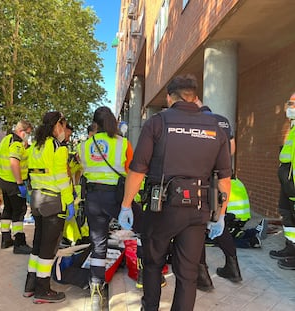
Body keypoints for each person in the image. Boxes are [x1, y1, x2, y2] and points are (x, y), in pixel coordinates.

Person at [118, 74, 232, 311]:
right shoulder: (217, 128)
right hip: (198, 210)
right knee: (187, 274)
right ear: (195, 98)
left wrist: (126, 205)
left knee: (152, 265)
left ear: (170, 97)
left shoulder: (157, 122)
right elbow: (224, 178)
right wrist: (221, 213)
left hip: (162, 209)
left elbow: (137, 170)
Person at [77, 106, 133, 310]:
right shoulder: (123, 143)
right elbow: (132, 171)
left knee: (98, 244)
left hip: (93, 198)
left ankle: (95, 292)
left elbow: (83, 169)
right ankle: (144, 275)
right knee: (139, 233)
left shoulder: (83, 146)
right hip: (117, 197)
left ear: (95, 124)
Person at [23, 111, 75, 303]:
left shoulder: (35, 146)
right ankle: (43, 290)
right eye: (63, 125)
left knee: (37, 243)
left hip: (36, 200)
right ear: (56, 126)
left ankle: (30, 285)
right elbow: (62, 179)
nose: (64, 130)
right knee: (48, 247)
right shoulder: (58, 148)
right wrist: (69, 202)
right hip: (53, 202)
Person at [194, 100, 243, 290]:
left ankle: (203, 276)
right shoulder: (223, 121)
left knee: (197, 223)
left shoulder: (197, 122)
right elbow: (231, 149)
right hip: (220, 177)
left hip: (202, 177)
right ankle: (233, 267)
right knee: (218, 219)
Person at [0, 120, 33, 254]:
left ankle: (5, 238)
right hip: (14, 183)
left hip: (3, 180)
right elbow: (14, 163)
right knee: (19, 211)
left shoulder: (6, 139)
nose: (28, 136)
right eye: (28, 133)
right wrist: (20, 183)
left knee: (8, 209)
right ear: (21, 131)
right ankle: (19, 243)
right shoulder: (16, 144)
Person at [270, 92, 295, 270]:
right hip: (288, 184)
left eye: (293, 104)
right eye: (289, 103)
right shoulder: (293, 129)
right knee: (287, 215)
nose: (289, 107)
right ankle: (291, 248)